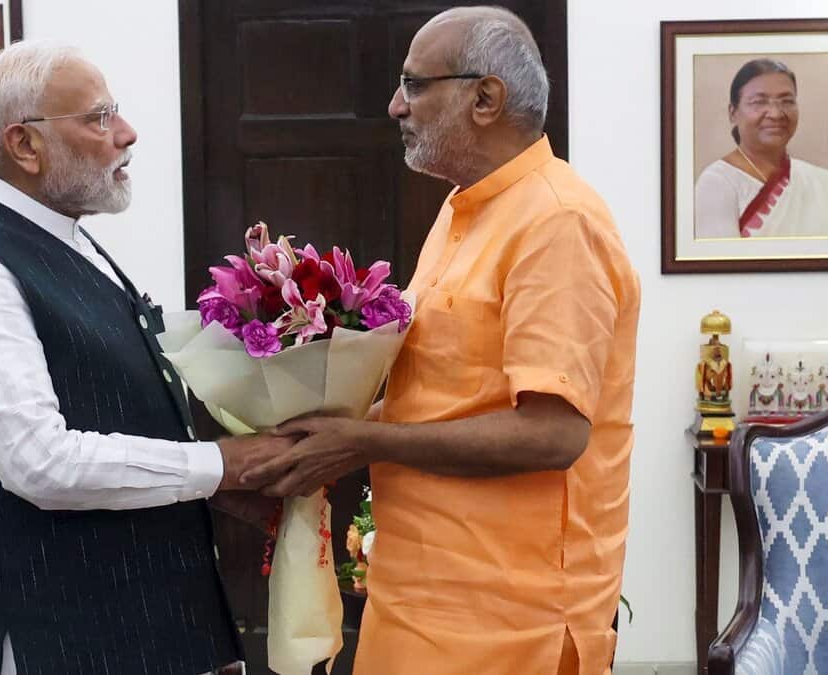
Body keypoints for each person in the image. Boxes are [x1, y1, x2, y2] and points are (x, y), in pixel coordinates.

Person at [243, 7, 640, 674]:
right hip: (421, 597)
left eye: (413, 84)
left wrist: (363, 441)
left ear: (484, 97)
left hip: (509, 617)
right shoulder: (465, 209)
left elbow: (553, 433)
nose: (396, 106)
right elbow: (441, 399)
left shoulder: (556, 220)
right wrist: (317, 438)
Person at [0, 40, 288, 675]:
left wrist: (221, 490)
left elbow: (116, 412)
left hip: (146, 627)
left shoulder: (69, 239)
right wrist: (220, 465)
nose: (126, 133)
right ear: (24, 145)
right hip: (56, 638)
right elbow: (41, 463)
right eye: (98, 116)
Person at [694, 58, 828, 239]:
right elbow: (722, 264)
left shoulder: (827, 183)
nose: (776, 113)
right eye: (759, 102)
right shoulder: (718, 183)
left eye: (787, 101)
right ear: (733, 113)